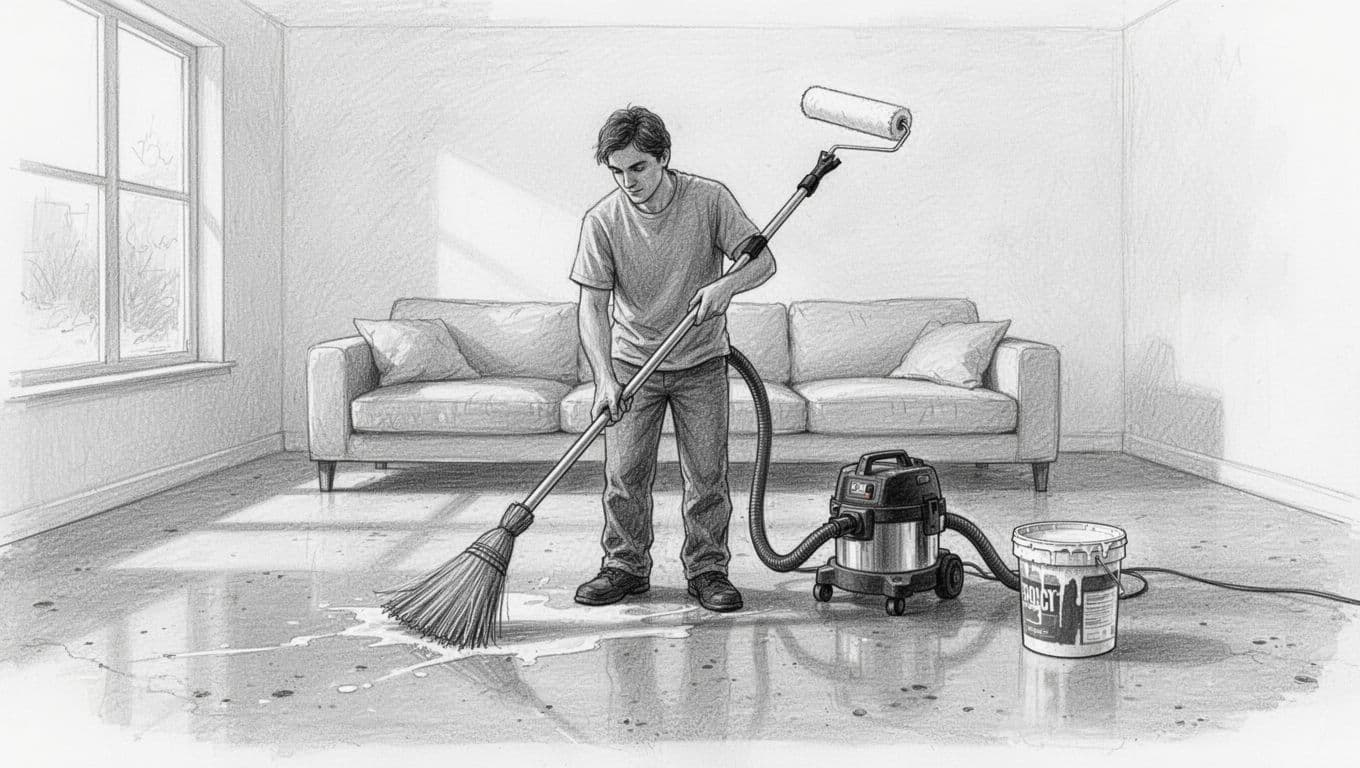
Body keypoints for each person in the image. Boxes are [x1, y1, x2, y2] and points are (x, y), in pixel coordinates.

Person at [570, 105, 776, 612]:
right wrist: (603, 379)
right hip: (631, 369)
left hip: (701, 363)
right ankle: (624, 567)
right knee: (624, 475)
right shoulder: (603, 221)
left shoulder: (709, 200)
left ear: (663, 158)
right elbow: (592, 307)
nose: (628, 181)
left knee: (706, 474)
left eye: (637, 168)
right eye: (617, 171)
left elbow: (764, 261)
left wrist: (727, 285)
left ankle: (707, 571)